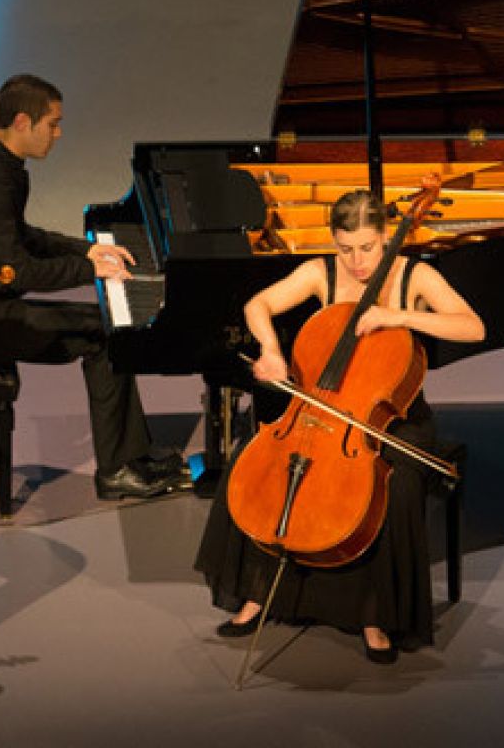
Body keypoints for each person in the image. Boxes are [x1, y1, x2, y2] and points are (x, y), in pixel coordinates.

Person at [194, 189, 486, 663]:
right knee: (256, 469)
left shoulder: (415, 275)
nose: (356, 261)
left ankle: (375, 614)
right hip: (322, 409)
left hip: (391, 416)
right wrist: (271, 350)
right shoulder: (319, 273)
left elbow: (474, 327)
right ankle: (257, 591)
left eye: (367, 248)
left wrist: (397, 315)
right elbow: (257, 306)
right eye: (345, 248)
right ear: (333, 241)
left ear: (386, 238)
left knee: (398, 487)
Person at [0, 73, 185, 500]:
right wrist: (91, 271)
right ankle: (117, 471)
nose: (58, 132)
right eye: (52, 123)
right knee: (106, 335)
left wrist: (86, 250)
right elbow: (20, 270)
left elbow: (23, 236)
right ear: (21, 122)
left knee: (106, 328)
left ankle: (132, 455)